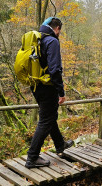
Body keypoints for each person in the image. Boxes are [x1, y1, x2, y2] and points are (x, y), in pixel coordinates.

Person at [25, 17, 74, 168]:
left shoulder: (38, 40)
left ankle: (60, 145)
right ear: (57, 28)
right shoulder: (52, 41)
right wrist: (61, 92)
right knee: (46, 120)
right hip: (48, 87)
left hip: (36, 85)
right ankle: (32, 158)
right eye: (60, 31)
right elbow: (55, 70)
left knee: (50, 116)